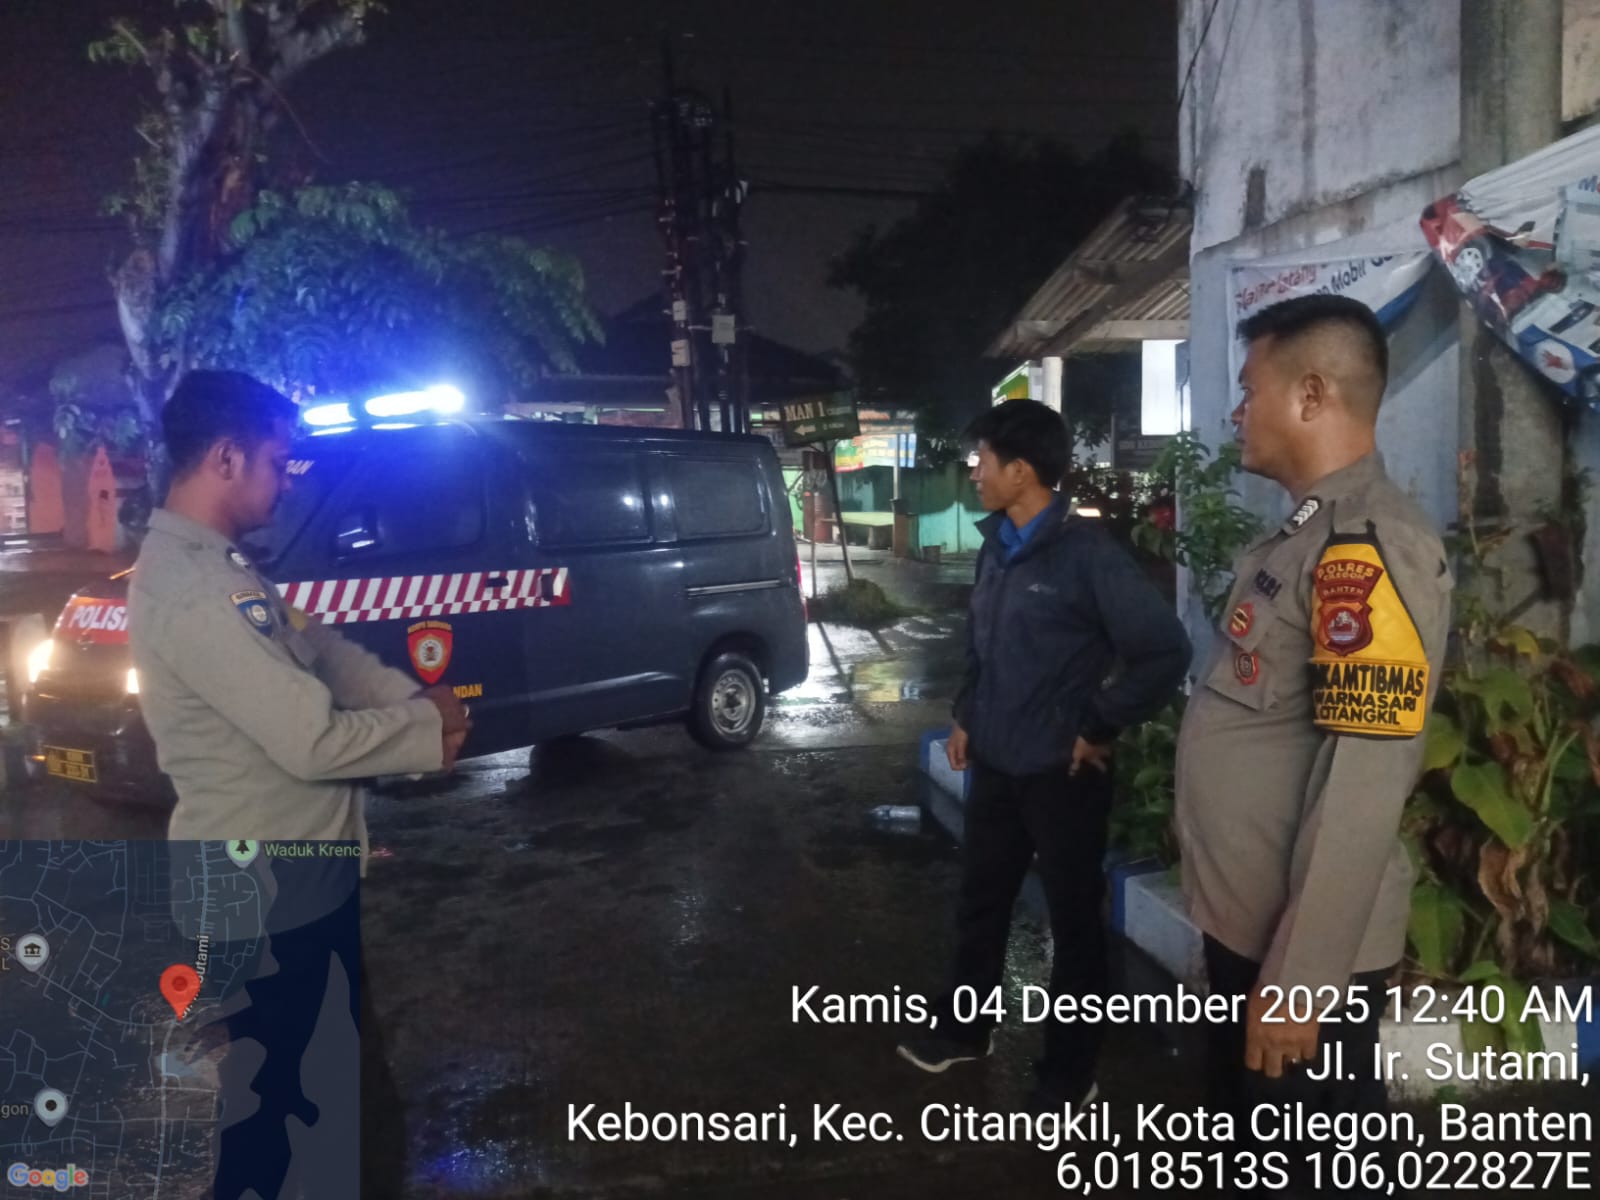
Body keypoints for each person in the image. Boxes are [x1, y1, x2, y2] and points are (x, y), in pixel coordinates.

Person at [128, 369, 470, 1200]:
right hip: (267, 906)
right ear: (226, 457)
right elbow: (310, 741)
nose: (287, 481)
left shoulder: (226, 569)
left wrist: (410, 701)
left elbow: (320, 653)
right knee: (293, 1126)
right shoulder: (197, 590)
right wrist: (424, 731)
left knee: (316, 1110)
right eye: (279, 463)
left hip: (293, 889)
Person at [1174, 295, 1451, 1188]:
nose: (1237, 411)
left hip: (1300, 956)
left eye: (1249, 389)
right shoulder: (1305, 529)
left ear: (1312, 394)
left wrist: (1299, 979)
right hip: (1253, 932)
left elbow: (1364, 776)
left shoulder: (1366, 544)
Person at [897, 398, 1191, 1110]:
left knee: (1074, 922)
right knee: (981, 901)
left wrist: (1099, 723)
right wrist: (967, 716)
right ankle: (965, 1032)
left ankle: (1070, 1071)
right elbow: (982, 644)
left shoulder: (1088, 554)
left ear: (1022, 471)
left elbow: (1164, 651)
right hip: (997, 762)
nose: (975, 472)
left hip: (1064, 771)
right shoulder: (996, 545)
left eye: (984, 460)